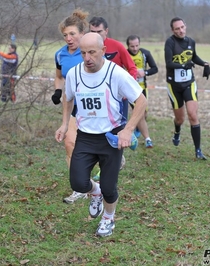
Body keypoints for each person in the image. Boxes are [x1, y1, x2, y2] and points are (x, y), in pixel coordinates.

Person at [55, 32, 147, 237]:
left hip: (111, 137)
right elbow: (68, 98)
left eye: (92, 52)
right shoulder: (74, 74)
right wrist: (63, 124)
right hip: (86, 136)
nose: (87, 58)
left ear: (103, 51)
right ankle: (94, 192)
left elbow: (141, 101)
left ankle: (108, 218)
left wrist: (128, 129)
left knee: (109, 187)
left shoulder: (116, 74)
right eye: (83, 53)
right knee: (78, 183)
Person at [88, 16, 138, 181]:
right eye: (92, 31)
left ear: (106, 31)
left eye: (99, 32)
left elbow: (132, 68)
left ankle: (108, 167)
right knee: (99, 134)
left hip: (117, 101)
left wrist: (124, 90)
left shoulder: (116, 47)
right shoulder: (87, 48)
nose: (95, 35)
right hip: (95, 99)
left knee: (115, 131)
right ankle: (117, 158)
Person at [50, 8, 90, 204]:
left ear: (82, 34)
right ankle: (80, 188)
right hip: (73, 107)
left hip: (94, 107)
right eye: (65, 35)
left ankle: (116, 156)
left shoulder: (90, 53)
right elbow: (59, 77)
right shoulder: (60, 55)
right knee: (69, 144)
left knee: (98, 147)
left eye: (72, 34)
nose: (68, 38)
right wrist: (58, 91)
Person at [164, 17, 210, 160]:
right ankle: (177, 131)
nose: (180, 30)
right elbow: (169, 63)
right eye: (177, 28)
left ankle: (198, 150)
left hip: (189, 83)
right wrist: (184, 65)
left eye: (182, 27)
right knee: (180, 119)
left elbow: (193, 57)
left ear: (186, 26)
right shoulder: (170, 42)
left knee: (192, 114)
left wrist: (205, 64)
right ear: (173, 30)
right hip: (174, 85)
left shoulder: (191, 42)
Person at [126, 35, 158, 148]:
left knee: (144, 113)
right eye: (132, 46)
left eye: (136, 45)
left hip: (142, 87)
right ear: (128, 46)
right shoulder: (125, 54)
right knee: (138, 111)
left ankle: (138, 127)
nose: (134, 48)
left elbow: (155, 68)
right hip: (129, 88)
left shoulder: (145, 53)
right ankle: (148, 139)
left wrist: (145, 73)